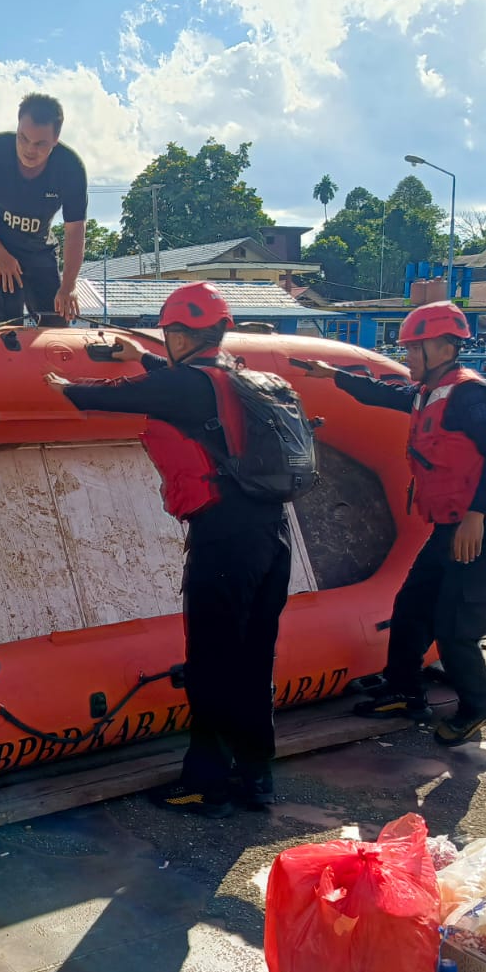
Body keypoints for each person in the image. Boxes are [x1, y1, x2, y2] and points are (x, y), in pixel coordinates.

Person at [44, 282, 293, 817]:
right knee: (254, 660)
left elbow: (104, 396)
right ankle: (256, 778)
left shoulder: (185, 384)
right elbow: (189, 391)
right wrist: (148, 358)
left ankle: (206, 783)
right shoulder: (243, 377)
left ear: (180, 334)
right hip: (273, 536)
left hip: (224, 540)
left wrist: (61, 382)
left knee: (210, 663)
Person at [294, 301, 486, 746]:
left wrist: (475, 516)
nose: (408, 358)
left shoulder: (471, 394)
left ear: (443, 347)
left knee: (456, 626)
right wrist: (331, 375)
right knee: (412, 605)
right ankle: (403, 689)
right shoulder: (427, 391)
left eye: (414, 349)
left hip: (484, 527)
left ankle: (477, 706)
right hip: (449, 525)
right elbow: (386, 395)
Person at [0, 92, 87, 324]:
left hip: (39, 249)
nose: (29, 149)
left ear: (56, 139)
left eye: (40, 144)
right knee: (7, 318)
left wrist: (68, 286)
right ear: (17, 127)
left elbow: (75, 230)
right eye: (23, 138)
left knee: (56, 319)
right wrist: (0, 255)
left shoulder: (70, 167)